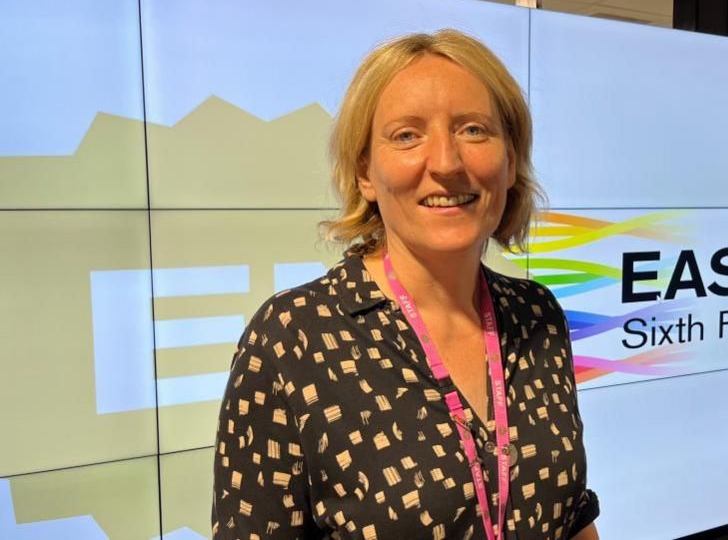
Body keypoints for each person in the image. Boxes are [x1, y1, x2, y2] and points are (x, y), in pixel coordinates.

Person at [211, 29, 600, 540]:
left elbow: (569, 517)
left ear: (511, 161)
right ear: (366, 173)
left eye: (474, 130)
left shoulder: (537, 314)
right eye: (407, 135)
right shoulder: (292, 338)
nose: (446, 162)